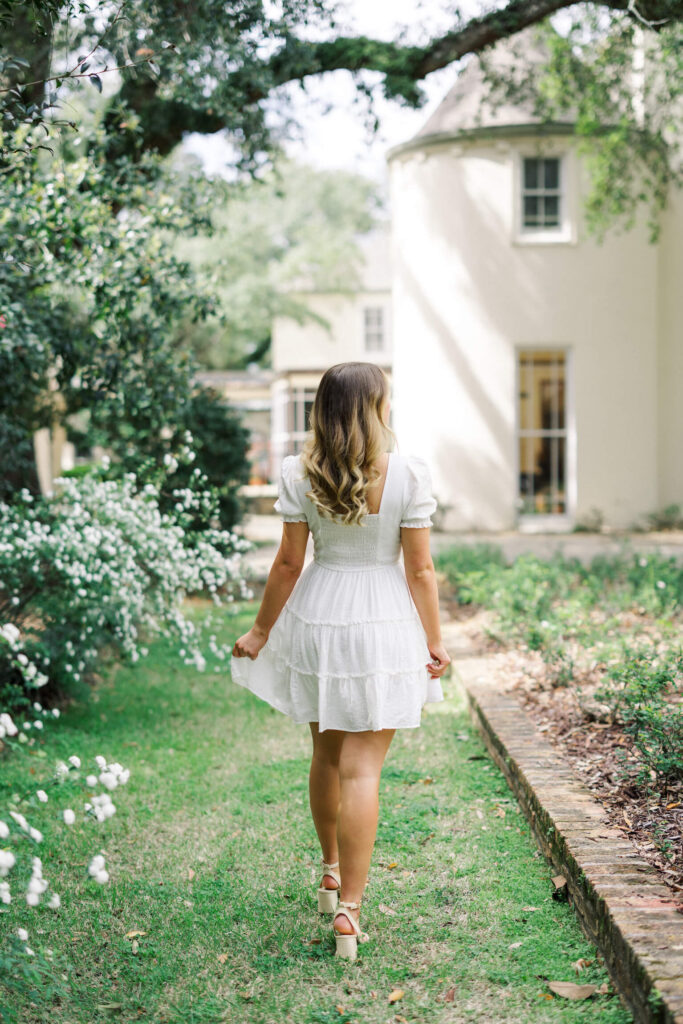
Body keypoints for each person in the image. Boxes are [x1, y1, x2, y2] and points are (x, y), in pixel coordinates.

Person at [231, 361, 451, 959]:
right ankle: (350, 911)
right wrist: (434, 639)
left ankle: (330, 870)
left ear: (323, 410)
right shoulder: (407, 474)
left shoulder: (300, 474)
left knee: (326, 756)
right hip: (383, 622)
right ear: (377, 408)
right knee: (363, 771)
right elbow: (421, 570)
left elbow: (286, 564)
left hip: (321, 616)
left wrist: (258, 632)